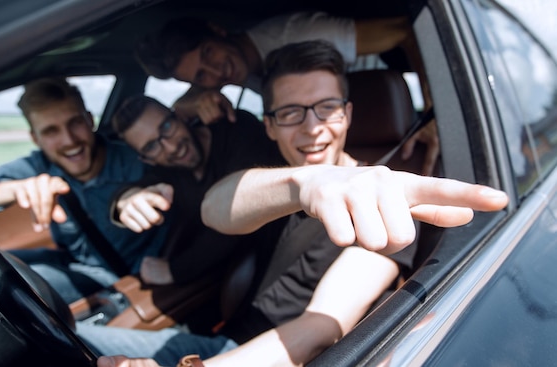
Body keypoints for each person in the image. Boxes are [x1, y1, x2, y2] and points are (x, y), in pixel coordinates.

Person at [77, 40, 508, 367]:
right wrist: (308, 182)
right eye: (290, 113)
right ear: (268, 126)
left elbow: (319, 329)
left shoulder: (386, 198)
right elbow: (216, 206)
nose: (312, 129)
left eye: (327, 108)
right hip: (222, 332)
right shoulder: (281, 179)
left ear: (348, 114)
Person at [0, 77, 169, 303]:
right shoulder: (37, 167)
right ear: (35, 139)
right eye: (51, 131)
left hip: (119, 274)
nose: (69, 140)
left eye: (75, 123)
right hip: (70, 260)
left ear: (89, 120)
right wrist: (8, 190)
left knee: (7, 288)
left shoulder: (135, 160)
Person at [136, 13, 439, 176]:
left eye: (208, 54)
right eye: (202, 77)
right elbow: (186, 100)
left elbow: (405, 31)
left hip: (376, 116)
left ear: (218, 30)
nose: (217, 74)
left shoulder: (299, 33)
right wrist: (187, 102)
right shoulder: (220, 74)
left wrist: (435, 110)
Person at [108, 95, 284, 285]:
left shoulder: (237, 129)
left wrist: (175, 271)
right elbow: (139, 188)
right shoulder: (168, 173)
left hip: (283, 251)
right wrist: (126, 200)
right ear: (146, 159)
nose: (172, 147)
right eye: (151, 146)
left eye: (167, 127)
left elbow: (238, 212)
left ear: (180, 117)